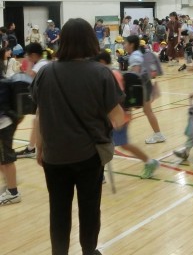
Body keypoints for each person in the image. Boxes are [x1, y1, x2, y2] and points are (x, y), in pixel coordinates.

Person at [31, 18, 125, 255]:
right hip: (88, 155)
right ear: (90, 41)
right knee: (89, 208)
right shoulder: (101, 73)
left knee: (58, 209)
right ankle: (88, 251)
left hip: (54, 155)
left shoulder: (45, 72)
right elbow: (118, 118)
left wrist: (40, 149)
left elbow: (40, 114)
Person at [95, 51, 159, 179]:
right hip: (116, 117)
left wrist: (117, 117)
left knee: (121, 144)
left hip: (118, 117)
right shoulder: (112, 73)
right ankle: (99, 174)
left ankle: (150, 162)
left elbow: (117, 97)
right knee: (103, 144)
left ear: (101, 62)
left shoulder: (112, 74)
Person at [124, 35, 166, 144]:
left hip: (141, 87)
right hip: (146, 84)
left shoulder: (134, 56)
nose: (124, 45)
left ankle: (120, 137)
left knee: (131, 110)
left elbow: (135, 75)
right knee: (147, 111)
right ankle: (158, 134)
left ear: (131, 45)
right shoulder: (139, 53)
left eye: (125, 43)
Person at [14, 43, 49, 159]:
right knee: (36, 121)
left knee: (38, 122)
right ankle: (31, 148)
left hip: (47, 101)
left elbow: (28, 78)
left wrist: (28, 63)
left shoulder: (40, 65)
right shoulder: (43, 63)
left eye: (28, 55)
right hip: (45, 100)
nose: (27, 57)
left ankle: (33, 148)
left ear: (33, 55)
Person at [0, 74, 21, 205]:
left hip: (3, 126)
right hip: (6, 124)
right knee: (3, 159)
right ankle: (9, 182)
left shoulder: (2, 83)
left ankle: (13, 192)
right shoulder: (4, 81)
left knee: (7, 159)